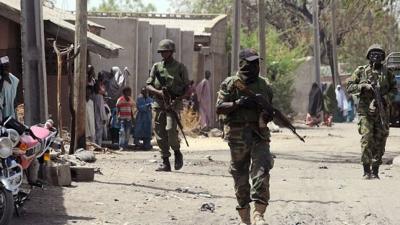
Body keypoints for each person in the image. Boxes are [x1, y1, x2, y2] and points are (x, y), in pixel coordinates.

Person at [216, 48, 273, 225]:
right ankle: (244, 218)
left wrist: (266, 114)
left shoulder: (264, 85)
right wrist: (238, 103)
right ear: (242, 64)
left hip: (259, 134)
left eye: (257, 63)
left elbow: (270, 108)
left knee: (261, 171)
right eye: (251, 63)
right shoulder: (231, 83)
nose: (255, 66)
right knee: (240, 176)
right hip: (237, 135)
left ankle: (259, 214)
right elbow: (219, 107)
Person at [346, 44, 397, 179]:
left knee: (380, 140)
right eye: (373, 54)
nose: (376, 56)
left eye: (379, 54)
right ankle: (366, 170)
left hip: (382, 112)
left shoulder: (388, 73)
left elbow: (395, 91)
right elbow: (349, 87)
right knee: (367, 139)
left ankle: (375, 171)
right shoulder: (361, 71)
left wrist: (385, 98)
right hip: (365, 112)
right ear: (368, 56)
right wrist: (363, 86)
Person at [146, 39, 189, 172]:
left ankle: (177, 152)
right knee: (160, 134)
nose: (163, 54)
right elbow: (148, 85)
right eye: (162, 52)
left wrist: (177, 99)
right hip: (159, 104)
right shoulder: (156, 67)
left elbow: (187, 88)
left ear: (171, 52)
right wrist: (158, 92)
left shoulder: (180, 67)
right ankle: (165, 161)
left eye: (166, 51)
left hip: (173, 103)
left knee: (170, 130)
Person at [0, 56, 19, 121]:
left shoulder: (14, 79)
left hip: (10, 109)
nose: (6, 69)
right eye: (4, 67)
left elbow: (14, 97)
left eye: (7, 67)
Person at [93, 81, 108, 146]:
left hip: (93, 115)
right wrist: (104, 118)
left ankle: (94, 144)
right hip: (99, 116)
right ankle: (98, 145)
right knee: (99, 131)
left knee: (94, 131)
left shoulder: (92, 95)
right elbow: (101, 108)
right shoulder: (100, 96)